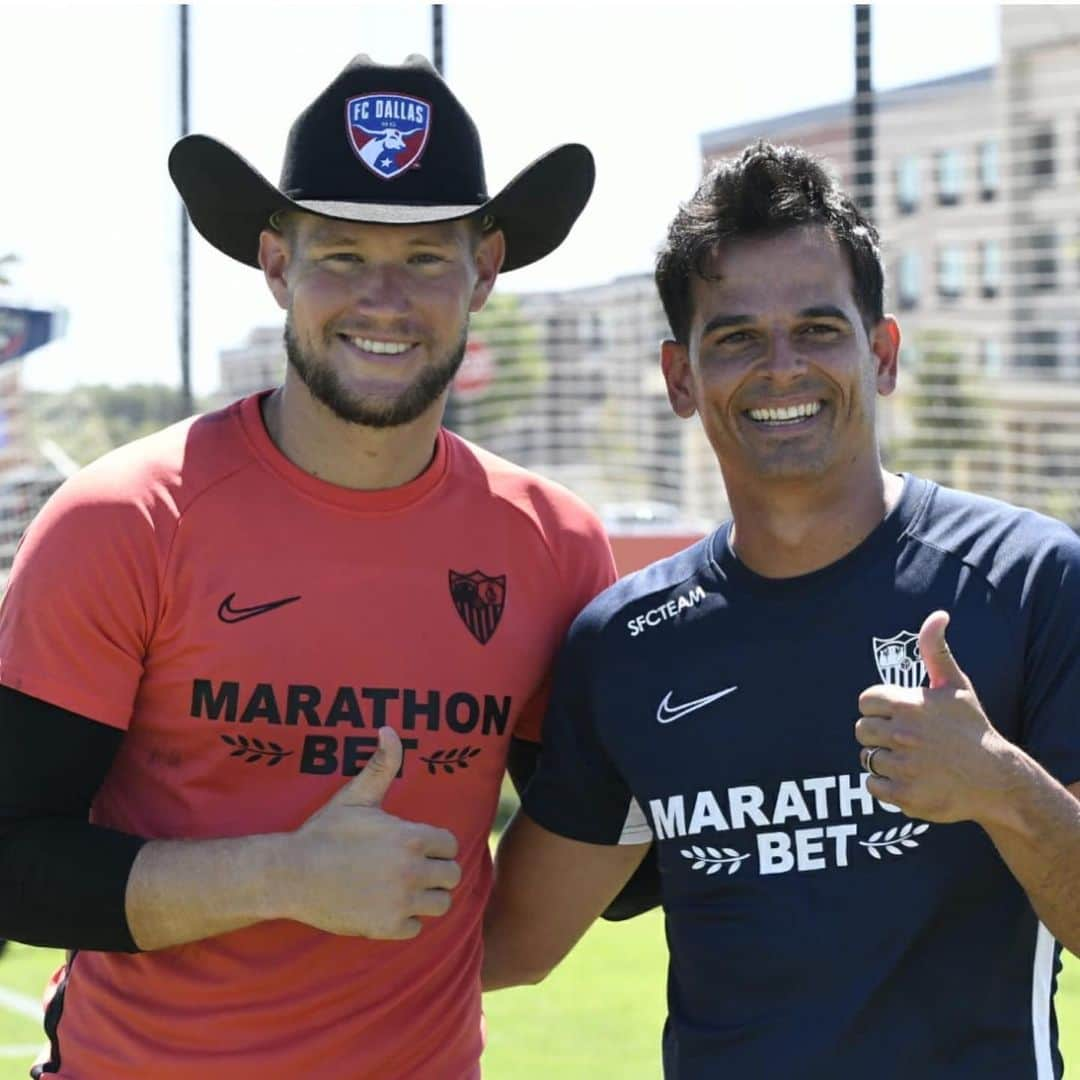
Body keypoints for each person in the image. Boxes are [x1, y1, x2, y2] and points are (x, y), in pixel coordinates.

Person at [0, 54, 618, 1079]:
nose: (384, 298)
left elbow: (591, 864)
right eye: (340, 253)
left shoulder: (555, 545)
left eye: (426, 257)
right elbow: (10, 862)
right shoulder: (124, 520)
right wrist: (280, 877)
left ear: (487, 268)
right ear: (278, 266)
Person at [482, 142, 1080, 1079]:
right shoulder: (625, 648)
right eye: (735, 338)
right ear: (682, 379)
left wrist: (1002, 788)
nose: (782, 368)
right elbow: (509, 944)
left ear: (880, 353)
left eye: (818, 328)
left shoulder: (1031, 579)